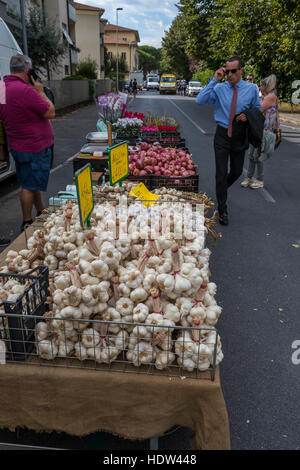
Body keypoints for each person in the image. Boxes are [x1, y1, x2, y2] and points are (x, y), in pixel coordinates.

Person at [196, 56, 260, 225]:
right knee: (221, 173)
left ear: (241, 71)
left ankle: (221, 189)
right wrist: (214, 79)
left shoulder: (252, 89)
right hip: (222, 134)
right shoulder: (219, 89)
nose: (229, 74)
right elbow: (200, 100)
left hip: (240, 134)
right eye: (227, 71)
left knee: (237, 172)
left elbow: (257, 111)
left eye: (233, 71)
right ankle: (222, 208)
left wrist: (248, 116)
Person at [0, 54, 55, 231]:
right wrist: (40, 91)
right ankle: (27, 221)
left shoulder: (2, 87)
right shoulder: (27, 91)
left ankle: (41, 211)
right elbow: (50, 112)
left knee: (30, 180)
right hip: (35, 146)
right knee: (29, 185)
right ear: (27, 70)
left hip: (17, 145)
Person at [241, 74, 278, 189]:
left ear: (265, 86)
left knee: (258, 155)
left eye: (261, 86)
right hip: (257, 129)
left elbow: (258, 110)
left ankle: (259, 179)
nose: (259, 88)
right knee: (251, 155)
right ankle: (248, 177)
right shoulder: (263, 97)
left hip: (265, 131)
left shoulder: (271, 97)